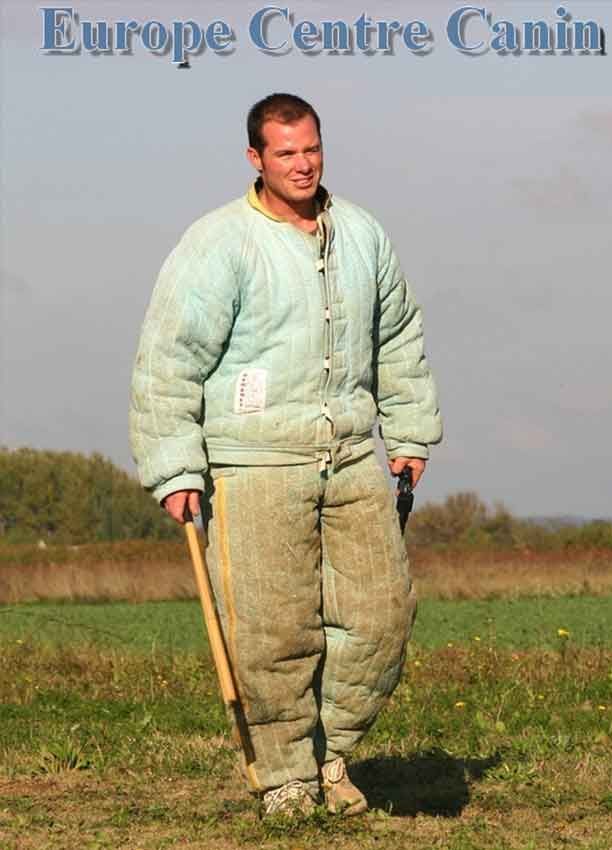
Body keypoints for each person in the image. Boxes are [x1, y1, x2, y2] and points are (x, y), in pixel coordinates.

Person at [129, 93, 442, 817]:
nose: (301, 164)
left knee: (381, 618)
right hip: (251, 466)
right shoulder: (218, 242)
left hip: (351, 454)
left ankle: (328, 756)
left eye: (311, 149)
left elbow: (396, 336)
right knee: (273, 632)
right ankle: (286, 779)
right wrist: (175, 465)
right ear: (256, 159)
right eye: (285, 153)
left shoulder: (362, 233)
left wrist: (411, 432)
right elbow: (168, 357)